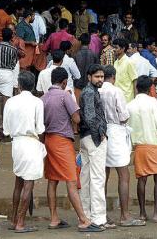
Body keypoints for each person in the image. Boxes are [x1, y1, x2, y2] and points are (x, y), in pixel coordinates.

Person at [41, 67, 98, 232]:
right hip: (62, 141)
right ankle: (83, 219)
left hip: (48, 140)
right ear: (65, 82)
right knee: (71, 180)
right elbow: (76, 117)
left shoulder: (43, 98)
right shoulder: (65, 95)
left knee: (52, 180)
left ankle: (54, 218)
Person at [98, 66, 144, 227]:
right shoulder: (115, 91)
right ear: (114, 77)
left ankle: (100, 214)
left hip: (101, 133)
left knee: (102, 175)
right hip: (116, 132)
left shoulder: (96, 90)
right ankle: (124, 215)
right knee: (123, 175)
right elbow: (124, 116)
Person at [2, 71, 47, 233]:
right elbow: (40, 128)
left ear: (19, 86)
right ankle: (20, 222)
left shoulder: (10, 102)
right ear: (33, 85)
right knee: (28, 184)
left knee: (19, 182)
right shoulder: (37, 102)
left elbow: (6, 130)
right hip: (31, 143)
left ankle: (15, 219)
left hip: (17, 144)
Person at [128, 76, 157, 223]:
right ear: (150, 88)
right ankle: (156, 213)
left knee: (142, 179)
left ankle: (142, 213)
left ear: (137, 87)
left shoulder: (130, 105)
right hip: (155, 144)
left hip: (140, 146)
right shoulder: (152, 102)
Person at [79, 64, 109, 229]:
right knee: (97, 179)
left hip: (85, 137)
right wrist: (101, 132)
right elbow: (90, 117)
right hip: (93, 138)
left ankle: (86, 216)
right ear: (89, 77)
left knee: (86, 178)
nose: (100, 80)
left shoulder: (89, 91)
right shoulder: (90, 92)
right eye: (97, 77)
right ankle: (97, 219)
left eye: (102, 77)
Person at [112, 38, 138, 102]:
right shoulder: (115, 62)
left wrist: (136, 99)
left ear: (123, 49)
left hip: (127, 99)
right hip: (117, 98)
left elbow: (135, 80)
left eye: (116, 47)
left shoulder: (129, 62)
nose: (113, 50)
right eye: (113, 47)